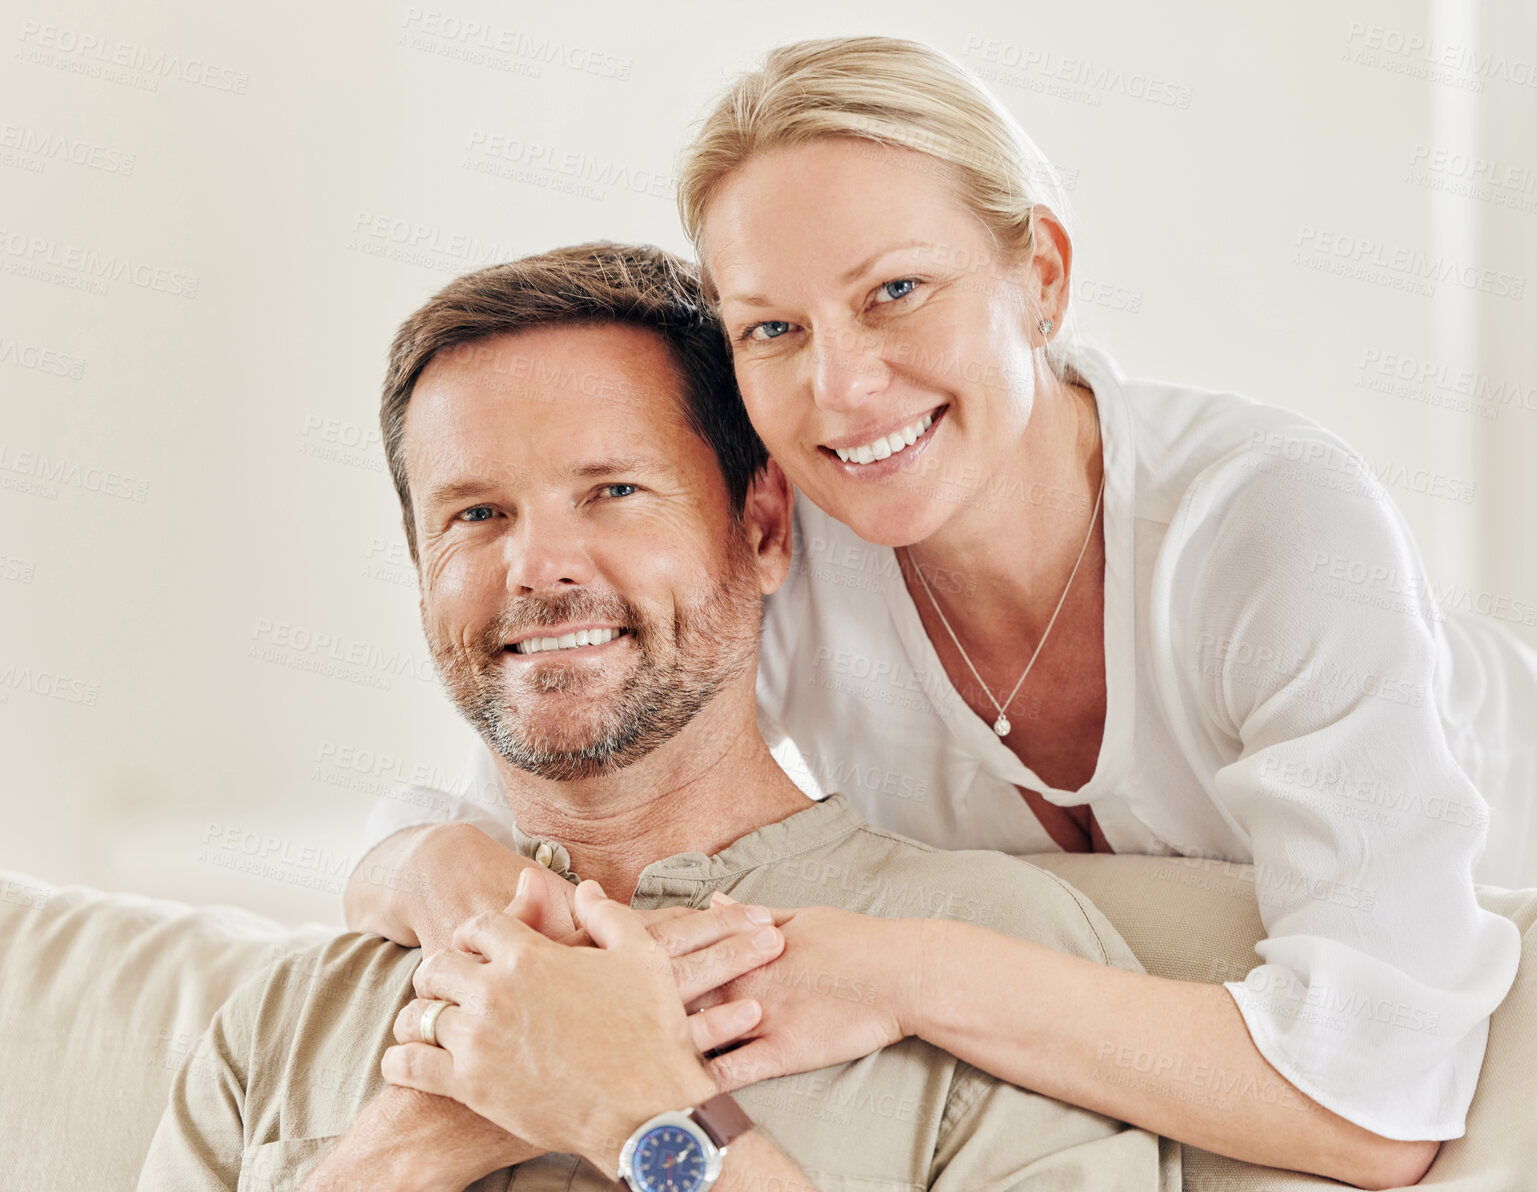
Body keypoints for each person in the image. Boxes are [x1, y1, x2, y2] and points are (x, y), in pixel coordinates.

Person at [346, 36, 1537, 1187]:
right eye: (772, 330)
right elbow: (479, 817)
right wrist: (453, 882)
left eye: (895, 292)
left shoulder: (1267, 520)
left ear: (1041, 274)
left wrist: (907, 970)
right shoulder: (796, 534)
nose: (843, 390)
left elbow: (1377, 1113)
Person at [138, 243, 1180, 1192]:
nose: (536, 564)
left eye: (615, 491)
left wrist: (648, 1114)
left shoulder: (1002, 958)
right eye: (475, 514)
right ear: (420, 580)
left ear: (763, 528)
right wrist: (399, 1152)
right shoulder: (284, 1019)